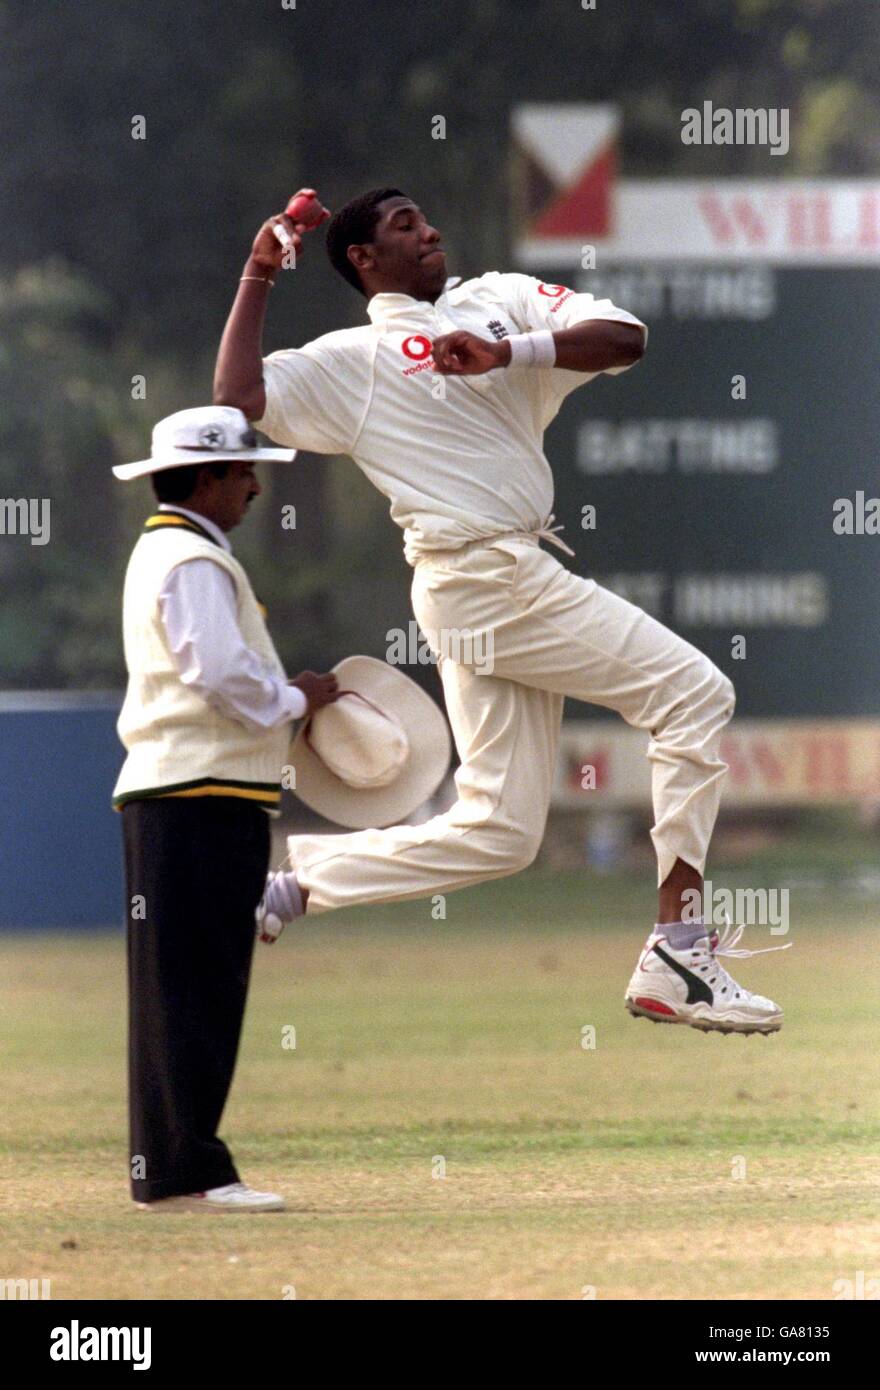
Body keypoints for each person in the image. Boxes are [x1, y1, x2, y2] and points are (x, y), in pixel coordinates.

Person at [213, 188, 784, 1036]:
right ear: (363, 260)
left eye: (426, 216)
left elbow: (629, 337)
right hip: (482, 577)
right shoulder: (356, 358)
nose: (431, 228)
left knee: (500, 833)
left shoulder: (501, 300)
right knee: (696, 696)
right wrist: (259, 273)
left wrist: (508, 350)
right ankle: (678, 950)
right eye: (404, 226)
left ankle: (290, 887)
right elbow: (238, 398)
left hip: (491, 579)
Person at [112, 405, 339, 1212]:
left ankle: (168, 1169)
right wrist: (294, 698)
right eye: (243, 471)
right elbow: (216, 672)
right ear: (205, 479)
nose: (252, 486)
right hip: (198, 793)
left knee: (179, 986)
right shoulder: (192, 561)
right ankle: (193, 1168)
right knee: (199, 987)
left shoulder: (174, 551)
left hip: (187, 791)